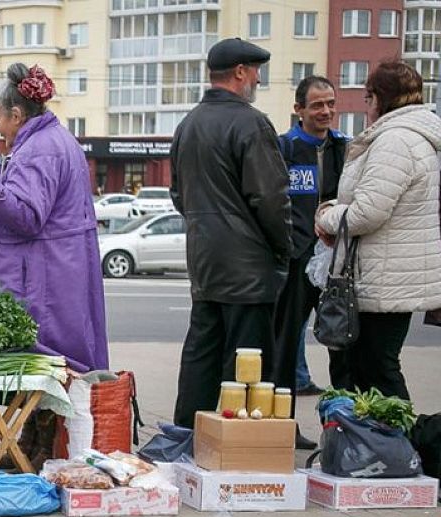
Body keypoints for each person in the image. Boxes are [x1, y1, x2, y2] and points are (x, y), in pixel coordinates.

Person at [0, 63, 108, 373]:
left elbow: (28, 216)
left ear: (17, 116)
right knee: (67, 361)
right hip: (55, 271)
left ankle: (36, 421)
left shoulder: (38, 149)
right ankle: (48, 421)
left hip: (41, 281)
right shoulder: (56, 139)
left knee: (46, 367)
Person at [169, 38, 291, 428]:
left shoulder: (188, 124)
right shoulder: (251, 123)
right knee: (248, 370)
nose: (258, 78)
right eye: (256, 71)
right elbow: (270, 197)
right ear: (240, 72)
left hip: (205, 262)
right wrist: (283, 249)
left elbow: (178, 193)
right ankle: (241, 455)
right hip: (248, 267)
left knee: (201, 357)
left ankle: (187, 439)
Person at [314, 60, 441, 401]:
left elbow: (367, 213)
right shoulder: (412, 136)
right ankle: (374, 447)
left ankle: (402, 448)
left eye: (367, 97)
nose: (365, 106)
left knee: (377, 370)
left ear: (378, 99)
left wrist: (326, 215)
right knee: (369, 368)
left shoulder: (395, 141)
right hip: (388, 275)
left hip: (384, 279)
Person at [273, 75, 348, 448]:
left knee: (342, 342)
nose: (326, 111)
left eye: (331, 103)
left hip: (336, 262)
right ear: (299, 109)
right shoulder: (284, 147)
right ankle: (283, 426)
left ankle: (346, 426)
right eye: (317, 105)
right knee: (285, 345)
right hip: (295, 260)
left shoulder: (344, 148)